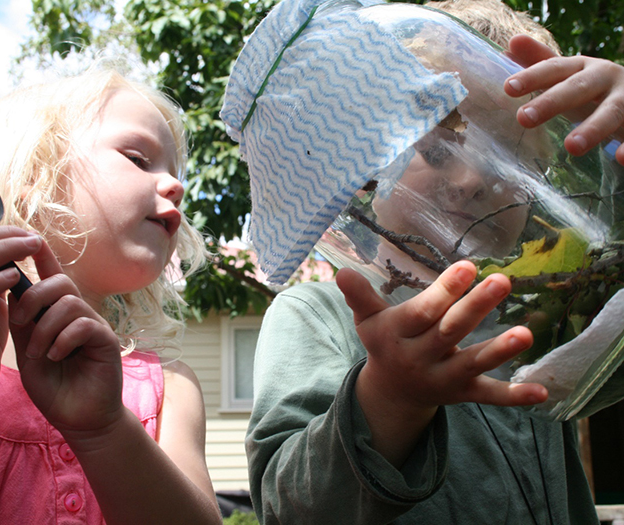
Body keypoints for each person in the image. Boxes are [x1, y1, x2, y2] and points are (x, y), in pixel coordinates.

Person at [226, 0, 624, 523]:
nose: (471, 180)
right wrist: (389, 400)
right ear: (367, 163)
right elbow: (289, 507)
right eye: (437, 147)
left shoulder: (547, 326)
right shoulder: (316, 315)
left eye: (518, 167)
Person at [0, 67, 223, 524]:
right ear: (36, 184)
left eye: (174, 171)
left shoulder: (172, 389)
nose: (176, 186)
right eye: (139, 159)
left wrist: (105, 427)